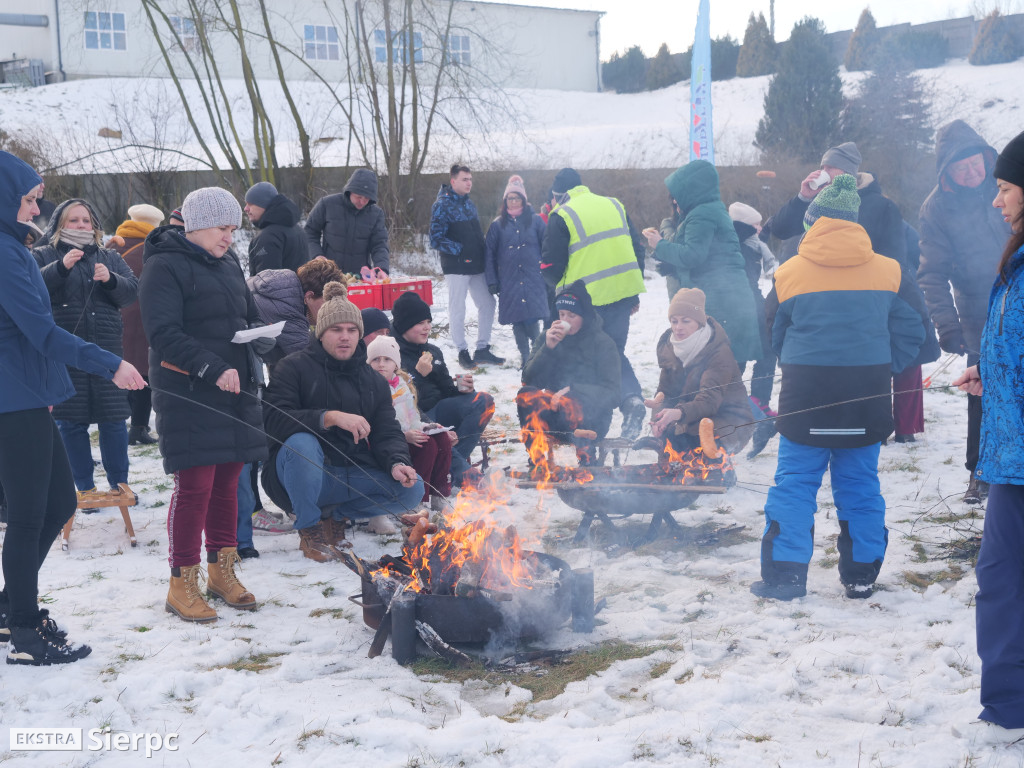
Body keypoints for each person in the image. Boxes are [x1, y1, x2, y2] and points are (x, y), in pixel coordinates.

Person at [751, 174, 924, 601]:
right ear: (855, 224)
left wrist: (796, 362)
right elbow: (912, 330)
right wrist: (884, 368)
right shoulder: (890, 271)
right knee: (861, 486)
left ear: (812, 223)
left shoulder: (789, 272)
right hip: (866, 401)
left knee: (793, 485)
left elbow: (773, 332)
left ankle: (786, 577)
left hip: (803, 399)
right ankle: (861, 574)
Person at [0, 151, 144, 664]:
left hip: (31, 393)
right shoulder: (4, 252)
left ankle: (8, 606)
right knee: (27, 516)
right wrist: (110, 364)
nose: (38, 208)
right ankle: (23, 633)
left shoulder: (15, 249)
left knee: (61, 503)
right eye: (30, 199)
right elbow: (40, 331)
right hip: (12, 399)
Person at [140, 187, 269, 622]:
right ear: (196, 226)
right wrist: (211, 367)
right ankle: (182, 582)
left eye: (234, 229)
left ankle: (222, 572)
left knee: (228, 484)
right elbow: (163, 334)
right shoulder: (162, 265)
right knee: (195, 485)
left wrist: (261, 335)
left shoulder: (230, 262)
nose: (230, 237)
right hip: (189, 390)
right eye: (222, 228)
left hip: (236, 387)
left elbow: (245, 315)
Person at [262, 283, 423, 560]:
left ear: (360, 335)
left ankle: (335, 516)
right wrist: (328, 418)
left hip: (351, 472)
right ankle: (310, 526)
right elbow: (273, 420)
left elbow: (387, 430)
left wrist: (397, 462)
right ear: (321, 332)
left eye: (352, 330)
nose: (345, 337)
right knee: (302, 442)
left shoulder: (373, 380)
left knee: (413, 488)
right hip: (301, 473)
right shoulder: (293, 367)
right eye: (336, 330)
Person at [952, 129, 1024, 741]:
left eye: (1005, 188)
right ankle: (1006, 709)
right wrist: (991, 378)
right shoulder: (1017, 260)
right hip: (1010, 456)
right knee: (1000, 577)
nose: (997, 201)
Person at [918, 121, 1012, 504]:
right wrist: (948, 326)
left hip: (1020, 300)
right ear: (947, 173)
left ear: (987, 158)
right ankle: (979, 471)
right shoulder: (936, 208)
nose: (972, 173)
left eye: (976, 164)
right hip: (979, 315)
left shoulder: (1008, 186)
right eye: (962, 168)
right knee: (982, 394)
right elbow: (932, 274)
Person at [235, 258, 345, 559]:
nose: (325, 315)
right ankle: (252, 513)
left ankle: (252, 510)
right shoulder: (291, 311)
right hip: (239, 378)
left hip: (242, 371)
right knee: (249, 447)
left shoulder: (278, 288)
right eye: (324, 306)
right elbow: (305, 364)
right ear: (309, 296)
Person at [33, 198, 139, 499]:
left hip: (107, 349)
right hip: (64, 353)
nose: (81, 225)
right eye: (73, 220)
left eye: (86, 220)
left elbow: (131, 291)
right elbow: (31, 288)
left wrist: (111, 280)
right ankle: (84, 489)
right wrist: (60, 269)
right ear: (59, 224)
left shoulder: (109, 256)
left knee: (114, 419)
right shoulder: (43, 254)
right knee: (70, 422)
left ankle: (120, 485)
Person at [541, 167, 647, 439]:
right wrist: (631, 293)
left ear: (557, 195)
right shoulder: (614, 204)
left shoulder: (561, 214)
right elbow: (637, 248)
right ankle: (631, 399)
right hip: (621, 296)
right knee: (612, 354)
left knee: (589, 361)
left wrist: (559, 296)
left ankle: (589, 428)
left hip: (584, 303)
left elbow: (551, 266)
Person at [644, 161, 761, 370]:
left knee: (715, 377)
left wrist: (659, 244)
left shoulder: (702, 214)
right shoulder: (712, 210)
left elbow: (692, 256)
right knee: (726, 376)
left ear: (691, 190)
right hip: (727, 301)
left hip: (718, 303)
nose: (675, 200)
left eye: (677, 194)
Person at [393, 290, 494, 486]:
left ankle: (449, 465)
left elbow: (447, 389)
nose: (427, 328)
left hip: (441, 411)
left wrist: (463, 389)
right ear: (404, 325)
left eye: (428, 322)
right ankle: (466, 475)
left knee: (484, 401)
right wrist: (417, 374)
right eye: (420, 323)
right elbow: (401, 399)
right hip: (417, 418)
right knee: (435, 429)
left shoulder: (433, 351)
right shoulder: (392, 354)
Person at [517, 281, 619, 466]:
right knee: (526, 395)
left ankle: (587, 457)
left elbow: (612, 393)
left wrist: (572, 391)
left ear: (585, 316)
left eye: (572, 315)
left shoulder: (603, 343)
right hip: (554, 416)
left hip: (591, 418)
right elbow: (528, 380)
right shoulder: (549, 337)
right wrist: (547, 349)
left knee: (574, 401)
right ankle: (537, 461)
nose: (565, 320)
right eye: (562, 314)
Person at [644, 287, 754, 457]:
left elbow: (709, 401)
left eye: (685, 321)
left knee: (698, 457)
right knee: (672, 458)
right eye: (674, 321)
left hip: (727, 420)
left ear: (699, 322)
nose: (678, 327)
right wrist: (660, 419)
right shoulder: (670, 348)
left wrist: (677, 413)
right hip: (690, 418)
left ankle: (719, 467)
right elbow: (666, 392)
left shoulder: (718, 352)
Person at [430, 163, 504, 368]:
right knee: (458, 308)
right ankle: (462, 351)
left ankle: (482, 349)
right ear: (453, 181)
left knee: (488, 303)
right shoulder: (441, 205)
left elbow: (477, 235)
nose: (469, 183)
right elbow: (435, 239)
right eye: (464, 179)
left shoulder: (469, 204)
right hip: (456, 266)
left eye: (470, 179)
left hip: (477, 264)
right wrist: (460, 250)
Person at [367, 335, 452, 509]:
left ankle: (439, 493)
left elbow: (412, 418)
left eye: (387, 359)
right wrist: (403, 436)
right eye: (376, 359)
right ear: (368, 363)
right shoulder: (369, 387)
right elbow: (375, 427)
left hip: (407, 434)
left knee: (442, 438)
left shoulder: (402, 386)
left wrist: (425, 427)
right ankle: (417, 498)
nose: (381, 364)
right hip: (386, 443)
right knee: (427, 446)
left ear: (396, 364)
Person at [727, 202, 778, 457]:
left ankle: (758, 410)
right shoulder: (745, 246)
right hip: (745, 308)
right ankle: (757, 411)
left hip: (747, 308)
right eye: (756, 226)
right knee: (753, 359)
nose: (759, 230)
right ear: (745, 228)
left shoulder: (745, 242)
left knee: (756, 358)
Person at [484, 174, 549, 367]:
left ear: (523, 199)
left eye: (517, 198)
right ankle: (525, 356)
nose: (513, 201)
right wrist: (492, 280)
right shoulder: (497, 225)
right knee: (518, 321)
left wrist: (547, 271)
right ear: (505, 201)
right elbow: (489, 254)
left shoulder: (536, 221)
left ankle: (537, 355)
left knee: (532, 318)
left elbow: (547, 246)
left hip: (533, 278)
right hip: (509, 279)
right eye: (510, 198)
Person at [114, 203, 164, 446]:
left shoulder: (113, 244)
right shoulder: (152, 248)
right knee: (144, 374)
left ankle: (121, 423)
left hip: (116, 316)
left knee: (122, 368)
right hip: (143, 317)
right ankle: (138, 427)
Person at [304, 169, 390, 275]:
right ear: (350, 191)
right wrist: (316, 255)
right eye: (359, 197)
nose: (362, 202)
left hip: (360, 278)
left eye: (367, 198)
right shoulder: (327, 204)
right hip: (328, 274)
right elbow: (309, 232)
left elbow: (379, 244)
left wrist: (381, 268)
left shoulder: (376, 214)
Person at [243, 181, 308, 276]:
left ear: (264, 205)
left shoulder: (268, 237)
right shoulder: (298, 229)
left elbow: (266, 283)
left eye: (250, 204)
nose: (245, 209)